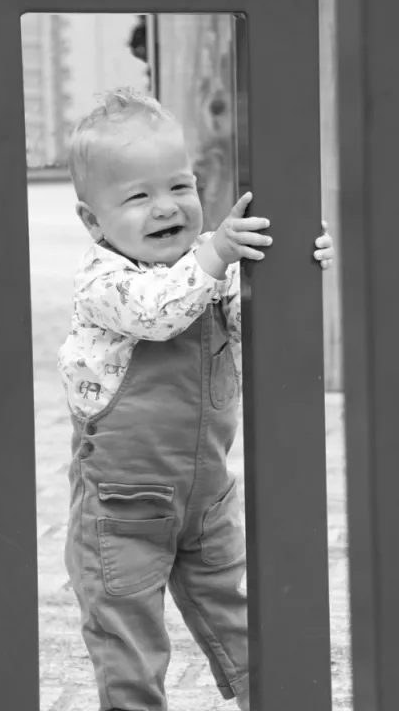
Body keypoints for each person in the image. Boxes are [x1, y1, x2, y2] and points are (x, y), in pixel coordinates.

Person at [58, 87, 334, 711]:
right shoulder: (104, 280)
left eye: (179, 186)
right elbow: (160, 312)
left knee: (238, 618)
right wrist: (217, 255)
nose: (166, 208)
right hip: (123, 507)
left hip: (206, 496)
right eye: (137, 196)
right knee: (128, 638)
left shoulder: (210, 262)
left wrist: (298, 262)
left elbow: (252, 318)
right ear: (93, 221)